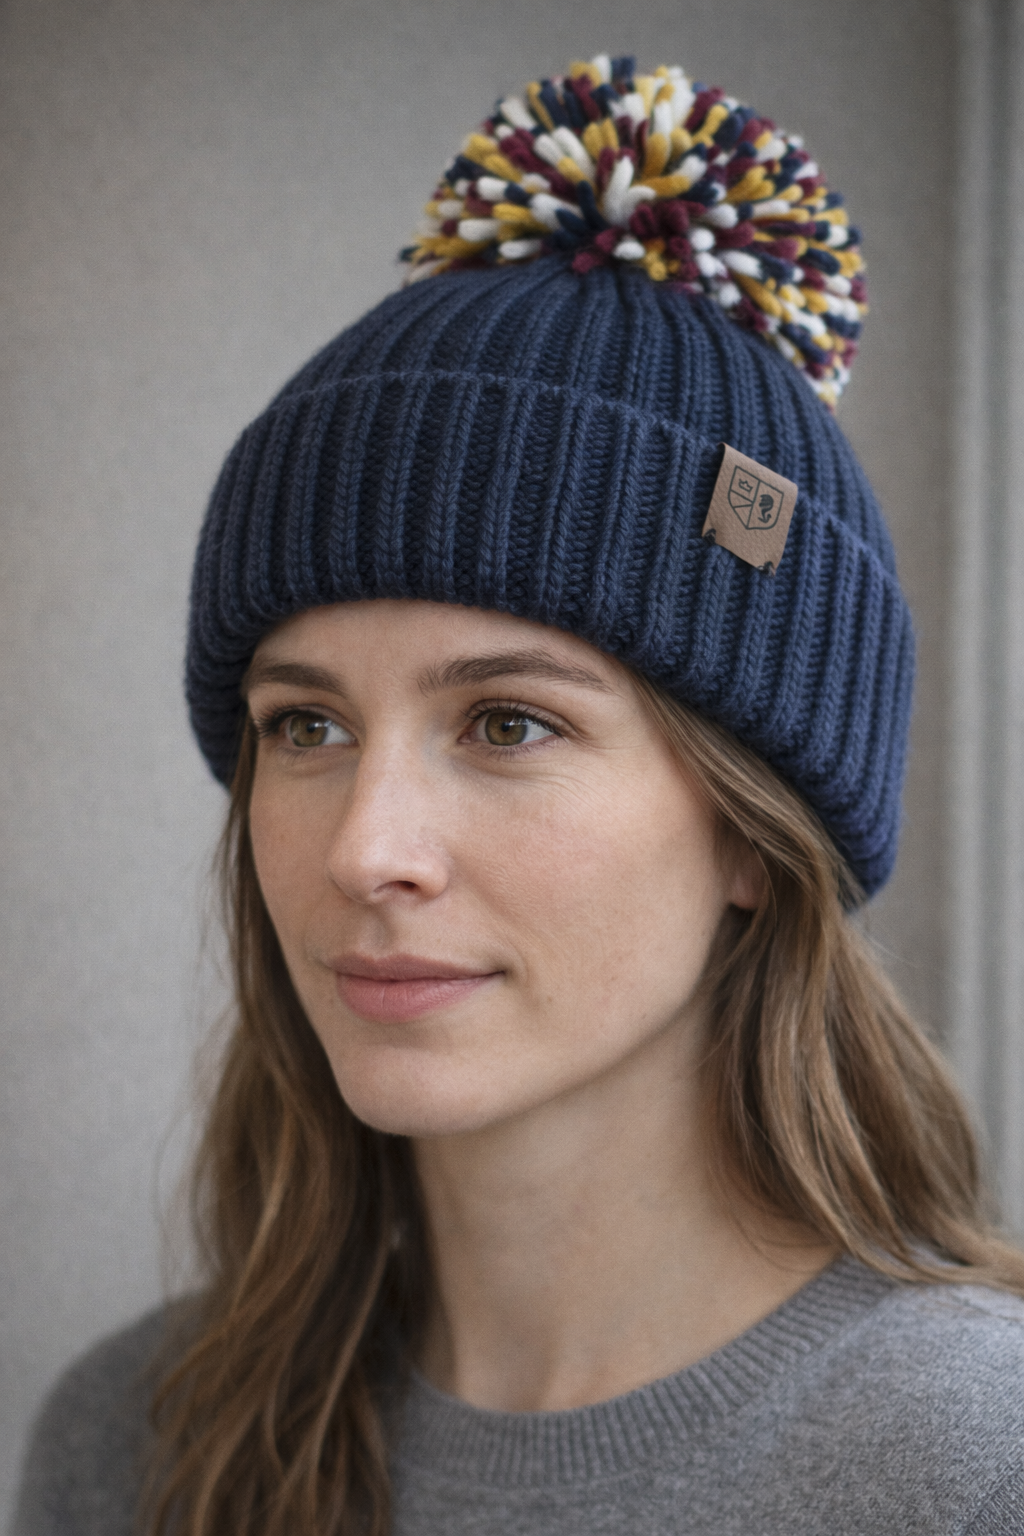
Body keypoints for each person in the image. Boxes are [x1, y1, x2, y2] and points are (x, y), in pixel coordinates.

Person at [15, 52, 1024, 1536]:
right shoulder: (134, 1442)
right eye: (303, 726)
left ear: (753, 831)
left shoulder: (966, 1465)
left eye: (505, 722)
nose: (367, 847)